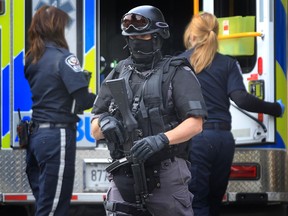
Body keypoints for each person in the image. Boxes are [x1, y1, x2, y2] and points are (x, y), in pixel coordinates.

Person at [91, 5, 207, 216]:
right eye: (132, 37)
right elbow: (94, 126)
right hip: (123, 172)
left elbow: (196, 123)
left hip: (166, 171)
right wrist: (104, 123)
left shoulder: (177, 72)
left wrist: (161, 139)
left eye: (143, 35)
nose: (137, 41)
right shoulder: (119, 72)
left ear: (157, 37)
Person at [178, 12, 285, 216]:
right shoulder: (227, 63)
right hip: (223, 140)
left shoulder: (178, 63)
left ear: (191, 33)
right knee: (215, 201)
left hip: (196, 139)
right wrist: (275, 109)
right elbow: (242, 99)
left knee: (197, 201)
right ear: (215, 34)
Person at [24, 5, 96, 216]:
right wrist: (103, 97)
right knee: (54, 208)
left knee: (45, 205)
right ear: (56, 28)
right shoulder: (64, 58)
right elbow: (82, 99)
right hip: (58, 136)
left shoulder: (32, 58)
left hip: (36, 137)